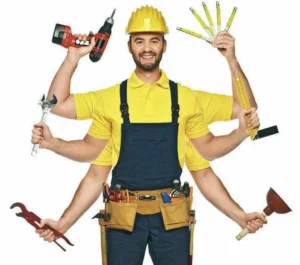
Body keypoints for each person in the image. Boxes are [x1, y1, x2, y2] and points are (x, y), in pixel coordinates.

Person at [32, 6, 266, 265]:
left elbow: (240, 117)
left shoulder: (187, 99)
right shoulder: (110, 100)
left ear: (164, 45)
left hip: (172, 216)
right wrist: (72, 57)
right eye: (139, 40)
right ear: (129, 46)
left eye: (154, 40)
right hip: (122, 218)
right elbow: (60, 110)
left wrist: (231, 60)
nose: (146, 48)